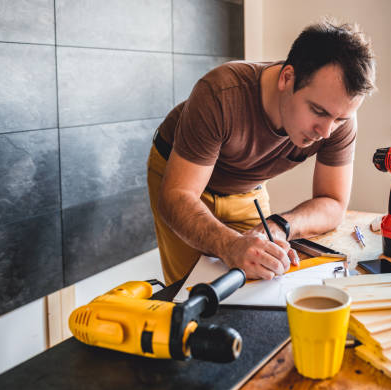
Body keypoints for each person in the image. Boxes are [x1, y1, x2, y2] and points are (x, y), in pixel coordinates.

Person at [147, 19, 376, 284]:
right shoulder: (220, 94)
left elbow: (333, 203)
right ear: (287, 78)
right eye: (318, 111)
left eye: (340, 119)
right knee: (195, 292)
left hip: (247, 187)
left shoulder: (337, 120)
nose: (325, 132)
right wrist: (230, 245)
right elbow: (177, 195)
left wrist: (281, 226)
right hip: (181, 183)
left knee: (262, 277)